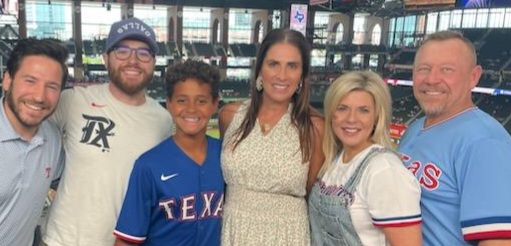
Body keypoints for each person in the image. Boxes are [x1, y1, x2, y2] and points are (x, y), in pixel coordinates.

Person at [40, 17, 173, 246]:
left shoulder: (163, 121)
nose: (133, 60)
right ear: (105, 58)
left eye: (143, 53)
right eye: (122, 51)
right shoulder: (74, 101)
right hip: (61, 241)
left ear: (153, 62)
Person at [399, 30, 511, 245]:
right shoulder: (414, 128)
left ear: (473, 77)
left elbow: (500, 241)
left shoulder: (486, 143)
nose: (432, 79)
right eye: (424, 69)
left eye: (446, 70)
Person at [218, 28, 325, 245]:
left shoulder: (314, 127)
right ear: (260, 69)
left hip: (288, 234)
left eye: (292, 66)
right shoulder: (230, 116)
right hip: (233, 230)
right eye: (273, 64)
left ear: (302, 75)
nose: (282, 76)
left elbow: (312, 192)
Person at [0, 38, 68, 246]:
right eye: (30, 81)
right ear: (7, 80)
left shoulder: (53, 139)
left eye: (52, 86)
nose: (40, 96)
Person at [113, 59, 223, 246]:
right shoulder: (148, 165)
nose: (191, 109)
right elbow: (127, 240)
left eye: (201, 101)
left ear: (215, 104)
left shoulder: (226, 156)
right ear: (169, 104)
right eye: (181, 100)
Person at [308, 71, 422, 246]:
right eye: (342, 108)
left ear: (376, 117)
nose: (351, 119)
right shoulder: (335, 160)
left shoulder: (384, 170)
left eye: (363, 110)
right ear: (331, 114)